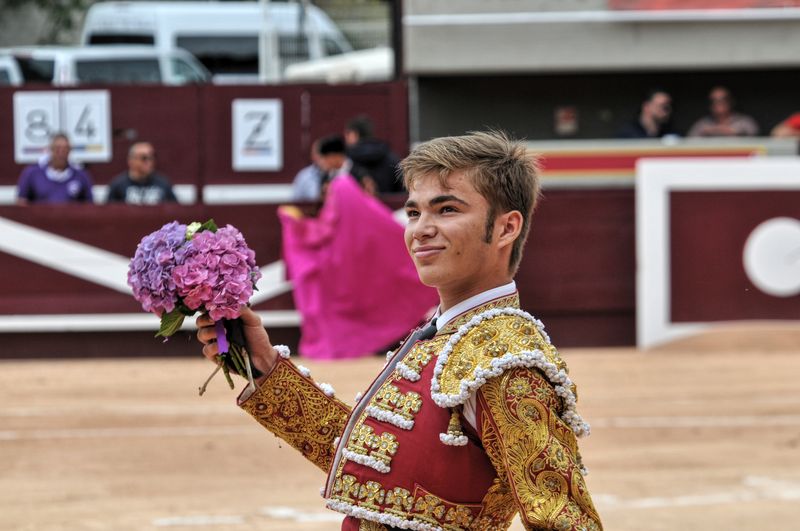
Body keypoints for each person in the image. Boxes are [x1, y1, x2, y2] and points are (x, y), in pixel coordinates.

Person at [196, 131, 602, 530]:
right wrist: (264, 365)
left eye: (446, 210)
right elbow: (378, 462)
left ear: (505, 229)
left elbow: (566, 522)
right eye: (414, 212)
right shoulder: (444, 332)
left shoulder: (505, 362)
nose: (420, 229)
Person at [16, 133, 94, 205]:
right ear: (50, 150)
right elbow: (22, 203)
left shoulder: (81, 176)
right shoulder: (32, 174)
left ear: (70, 151)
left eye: (65, 149)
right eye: (57, 149)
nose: (61, 153)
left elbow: (89, 206)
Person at [345, 114, 404, 194]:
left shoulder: (345, 161)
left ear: (354, 134)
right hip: (389, 206)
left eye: (347, 134)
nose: (346, 138)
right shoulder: (391, 158)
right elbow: (402, 191)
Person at [106, 142, 177, 205]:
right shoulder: (118, 185)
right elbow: (109, 213)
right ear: (131, 160)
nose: (149, 161)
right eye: (144, 158)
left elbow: (175, 210)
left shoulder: (163, 183)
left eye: (152, 157)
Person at [687, 86, 759, 137]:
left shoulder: (745, 122)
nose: (718, 103)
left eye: (723, 100)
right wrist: (707, 133)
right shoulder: (703, 124)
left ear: (731, 102)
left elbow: (757, 139)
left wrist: (736, 133)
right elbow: (688, 142)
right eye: (714, 101)